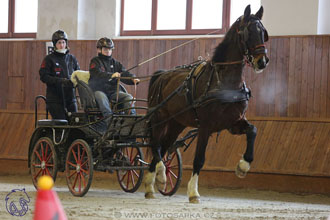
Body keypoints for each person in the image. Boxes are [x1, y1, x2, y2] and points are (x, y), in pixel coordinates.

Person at [89, 37, 140, 117]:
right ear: (99, 49)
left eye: (110, 49)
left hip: (114, 92)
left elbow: (124, 73)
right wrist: (111, 75)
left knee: (128, 97)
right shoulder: (95, 61)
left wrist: (132, 79)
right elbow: (96, 74)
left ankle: (131, 119)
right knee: (102, 98)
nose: (108, 51)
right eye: (106, 49)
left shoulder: (115, 63)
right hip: (99, 90)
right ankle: (109, 120)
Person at [39, 30, 80, 119]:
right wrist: (61, 81)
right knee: (61, 124)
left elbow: (78, 74)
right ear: (55, 44)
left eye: (63, 42)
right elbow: (44, 76)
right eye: (59, 43)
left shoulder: (72, 58)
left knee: (75, 124)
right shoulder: (49, 59)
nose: (61, 45)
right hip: (55, 99)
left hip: (70, 98)